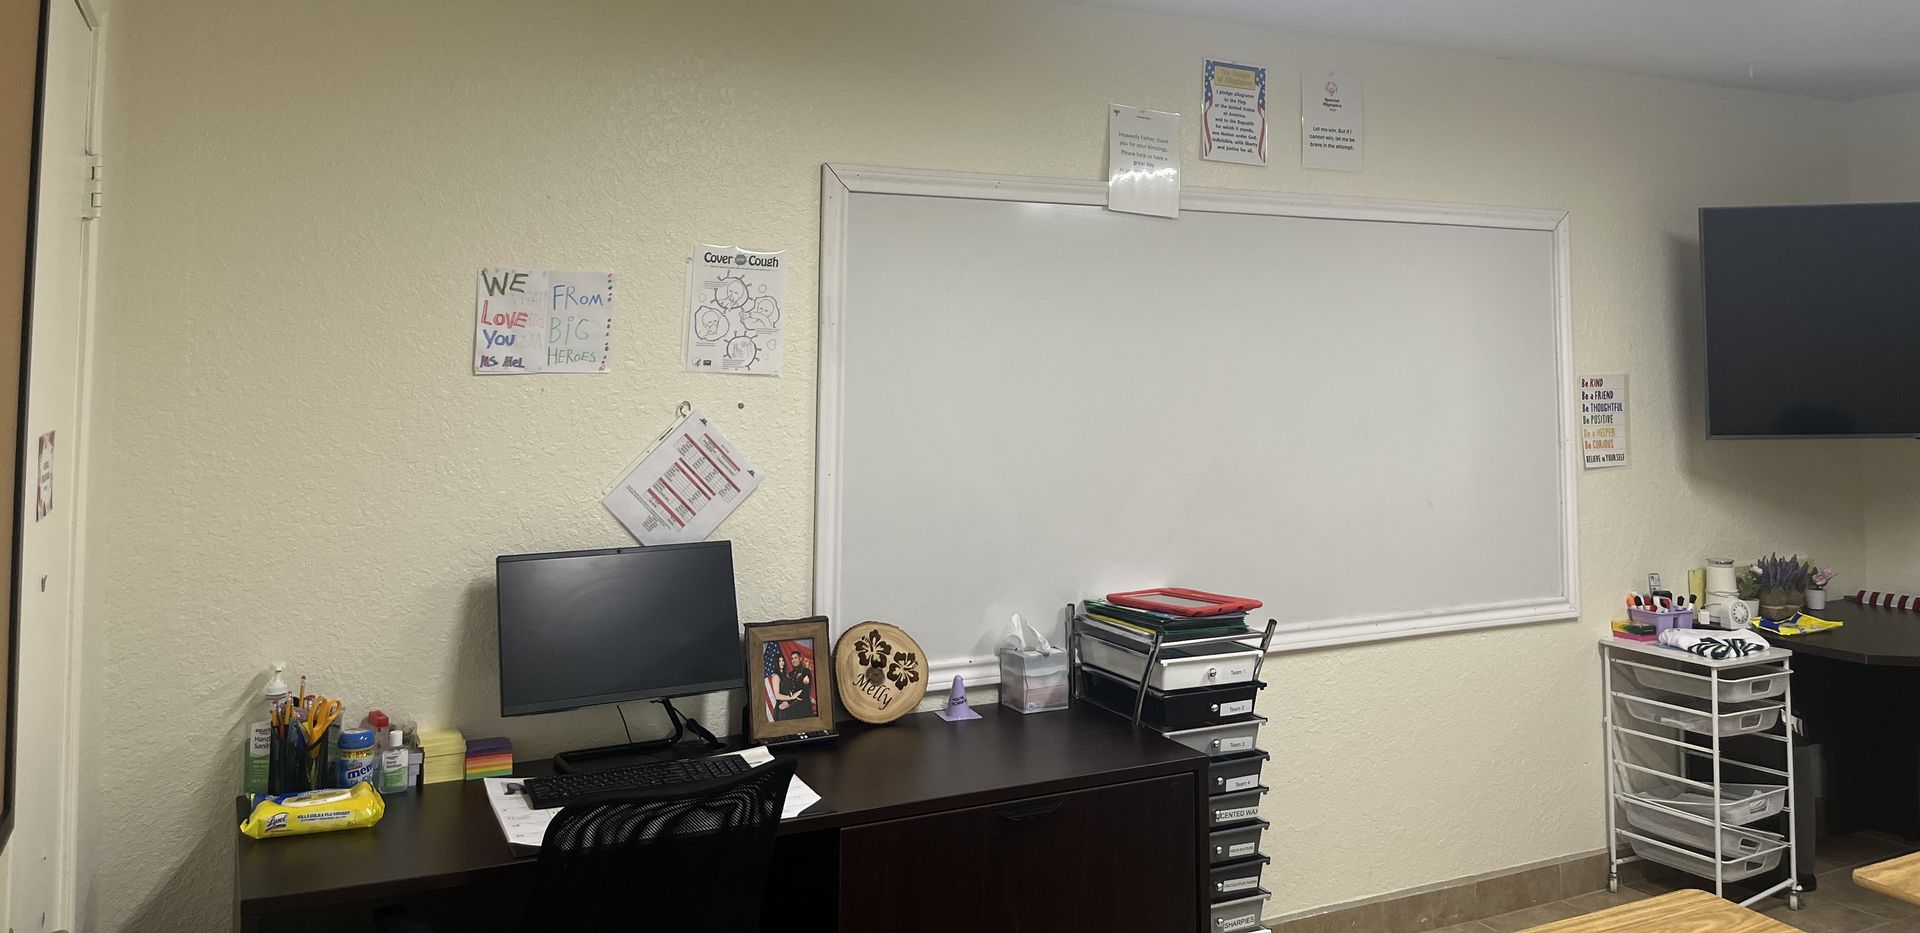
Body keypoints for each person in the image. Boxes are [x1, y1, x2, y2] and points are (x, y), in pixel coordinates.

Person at [783, 648, 816, 719]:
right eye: (792, 658)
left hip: (803, 706)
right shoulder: (791, 674)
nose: (793, 660)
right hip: (793, 708)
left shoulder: (805, 671)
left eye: (795, 658)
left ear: (800, 659)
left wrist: (790, 702)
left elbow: (805, 691)